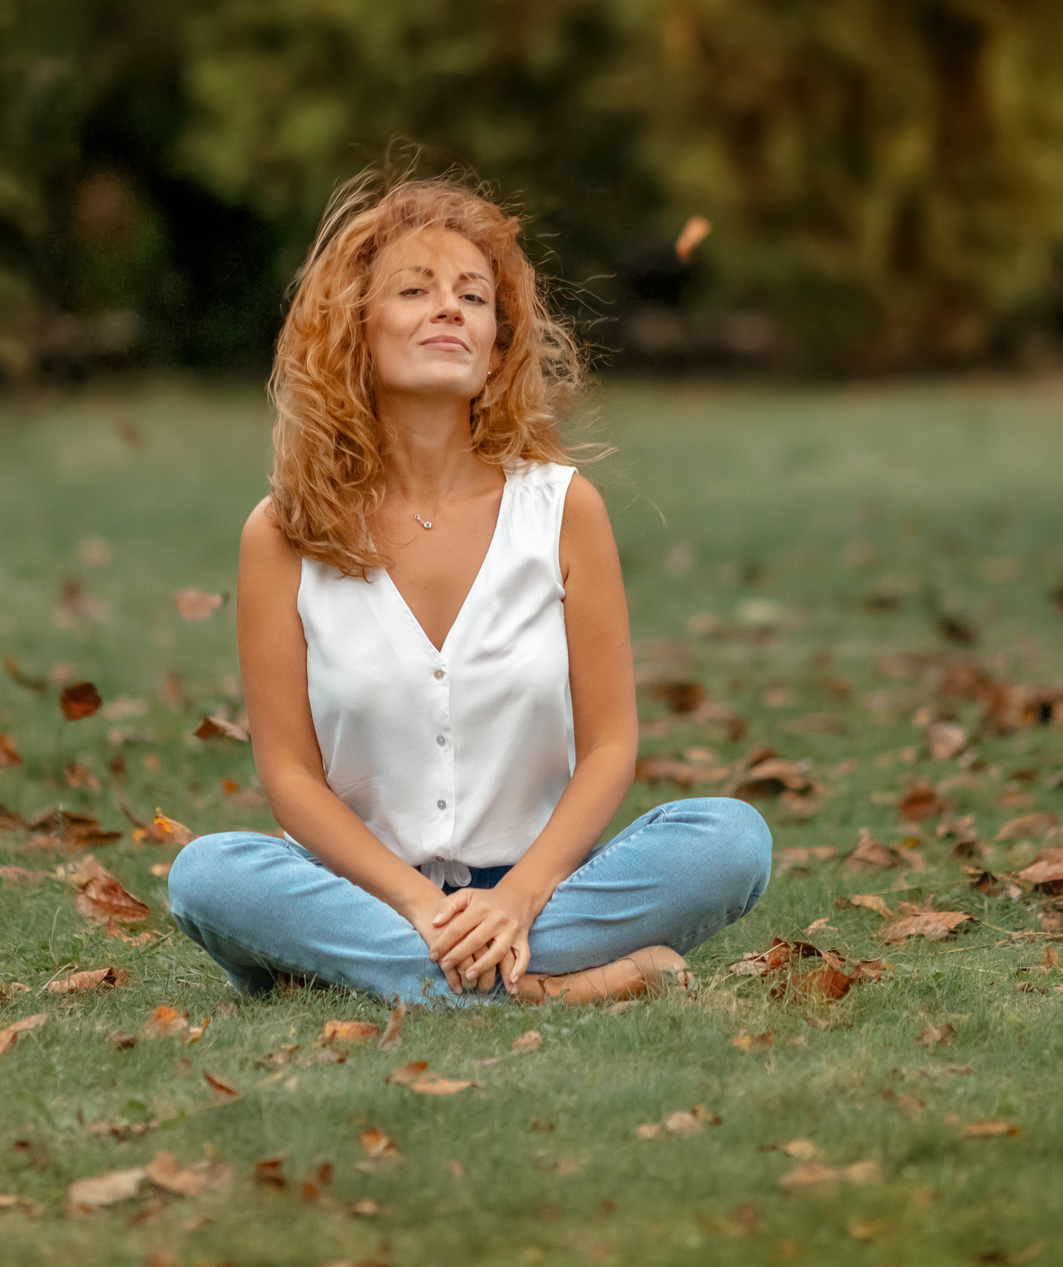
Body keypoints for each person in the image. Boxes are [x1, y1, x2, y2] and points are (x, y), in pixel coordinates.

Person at [164, 177, 772, 1007]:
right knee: (207, 873)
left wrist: (516, 897)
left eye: (473, 296)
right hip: (363, 893)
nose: (449, 308)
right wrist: (420, 905)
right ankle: (543, 987)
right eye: (415, 290)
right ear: (355, 330)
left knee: (731, 839)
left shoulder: (562, 510)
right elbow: (292, 779)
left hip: (543, 886)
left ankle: (390, 975)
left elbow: (608, 749)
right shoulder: (282, 533)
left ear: (496, 346)